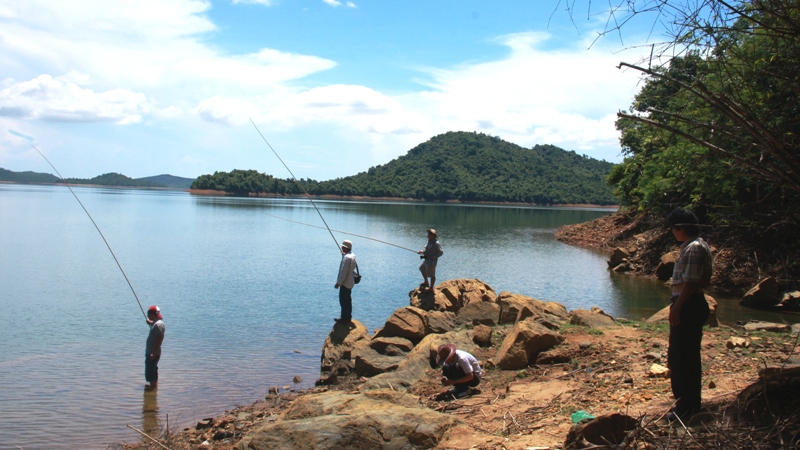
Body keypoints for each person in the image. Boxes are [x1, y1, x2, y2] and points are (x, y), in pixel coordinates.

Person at [666, 208, 713, 421]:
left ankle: (685, 406)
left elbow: (691, 282)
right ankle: (688, 404)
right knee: (687, 356)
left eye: (673, 229)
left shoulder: (693, 248)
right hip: (691, 304)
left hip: (689, 305)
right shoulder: (696, 245)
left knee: (681, 357)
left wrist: (677, 307)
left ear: (681, 228)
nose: (672, 233)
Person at [334, 240, 358, 325]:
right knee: (348, 300)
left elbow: (343, 272)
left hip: (345, 282)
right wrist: (343, 256)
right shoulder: (352, 256)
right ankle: (348, 317)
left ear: (345, 247)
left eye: (343, 246)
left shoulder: (346, 258)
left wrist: (338, 283)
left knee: (343, 301)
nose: (341, 247)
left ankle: (344, 318)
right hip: (350, 282)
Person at [145, 305, 166, 391]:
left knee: (150, 372)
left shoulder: (158, 325)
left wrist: (154, 352)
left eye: (148, 313)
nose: (147, 315)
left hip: (153, 353)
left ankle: (153, 388)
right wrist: (150, 323)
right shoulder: (156, 323)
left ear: (152, 314)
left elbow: (159, 339)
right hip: (152, 352)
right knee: (153, 370)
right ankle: (154, 388)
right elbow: (155, 326)